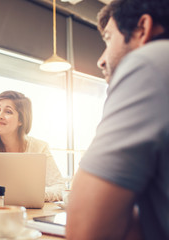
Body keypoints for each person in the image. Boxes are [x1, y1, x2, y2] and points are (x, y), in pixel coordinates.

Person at [66, 0, 169, 239]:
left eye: (108, 38)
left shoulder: (151, 61)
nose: (101, 60)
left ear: (142, 28)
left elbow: (85, 231)